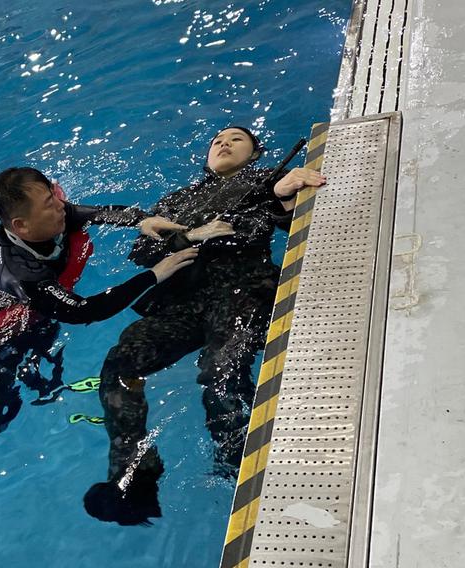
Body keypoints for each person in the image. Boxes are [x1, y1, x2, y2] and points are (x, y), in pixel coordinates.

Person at [84, 126, 326, 526]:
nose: (223, 143)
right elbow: (142, 252)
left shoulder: (266, 180)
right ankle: (135, 472)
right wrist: (188, 236)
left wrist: (282, 198)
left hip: (241, 291)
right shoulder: (177, 200)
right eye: (217, 140)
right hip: (183, 301)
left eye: (236, 139)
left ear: (254, 153)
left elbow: (293, 221)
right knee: (120, 365)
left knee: (220, 372)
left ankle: (243, 470)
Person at [0, 167, 198, 471]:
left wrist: (141, 219)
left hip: (42, 314)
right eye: (50, 205)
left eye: (54, 197)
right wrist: (154, 275)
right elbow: (82, 311)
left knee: (42, 379)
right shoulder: (21, 272)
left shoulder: (50, 219)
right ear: (21, 226)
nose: (61, 206)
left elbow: (94, 213)